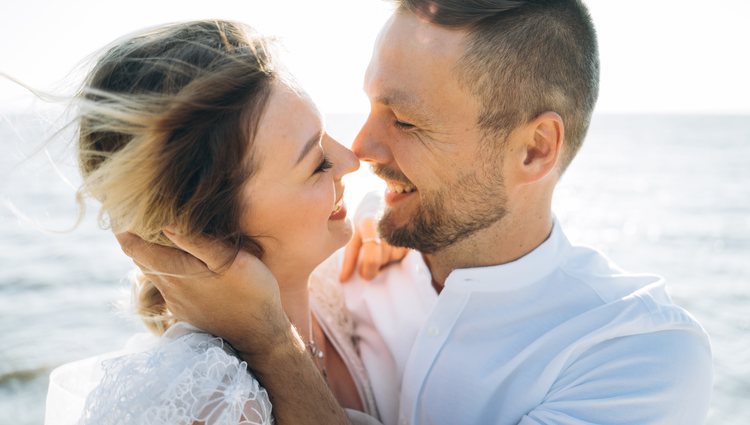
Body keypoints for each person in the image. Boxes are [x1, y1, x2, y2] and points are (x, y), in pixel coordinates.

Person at [119, 1, 713, 424]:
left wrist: (272, 345)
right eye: (371, 106)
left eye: (406, 122)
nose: (360, 151)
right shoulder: (339, 246)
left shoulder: (632, 352)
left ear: (534, 149)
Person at [43, 19, 409, 425]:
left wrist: (391, 222)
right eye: (317, 163)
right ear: (213, 235)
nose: (351, 160)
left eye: (325, 137)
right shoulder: (212, 402)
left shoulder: (334, 290)